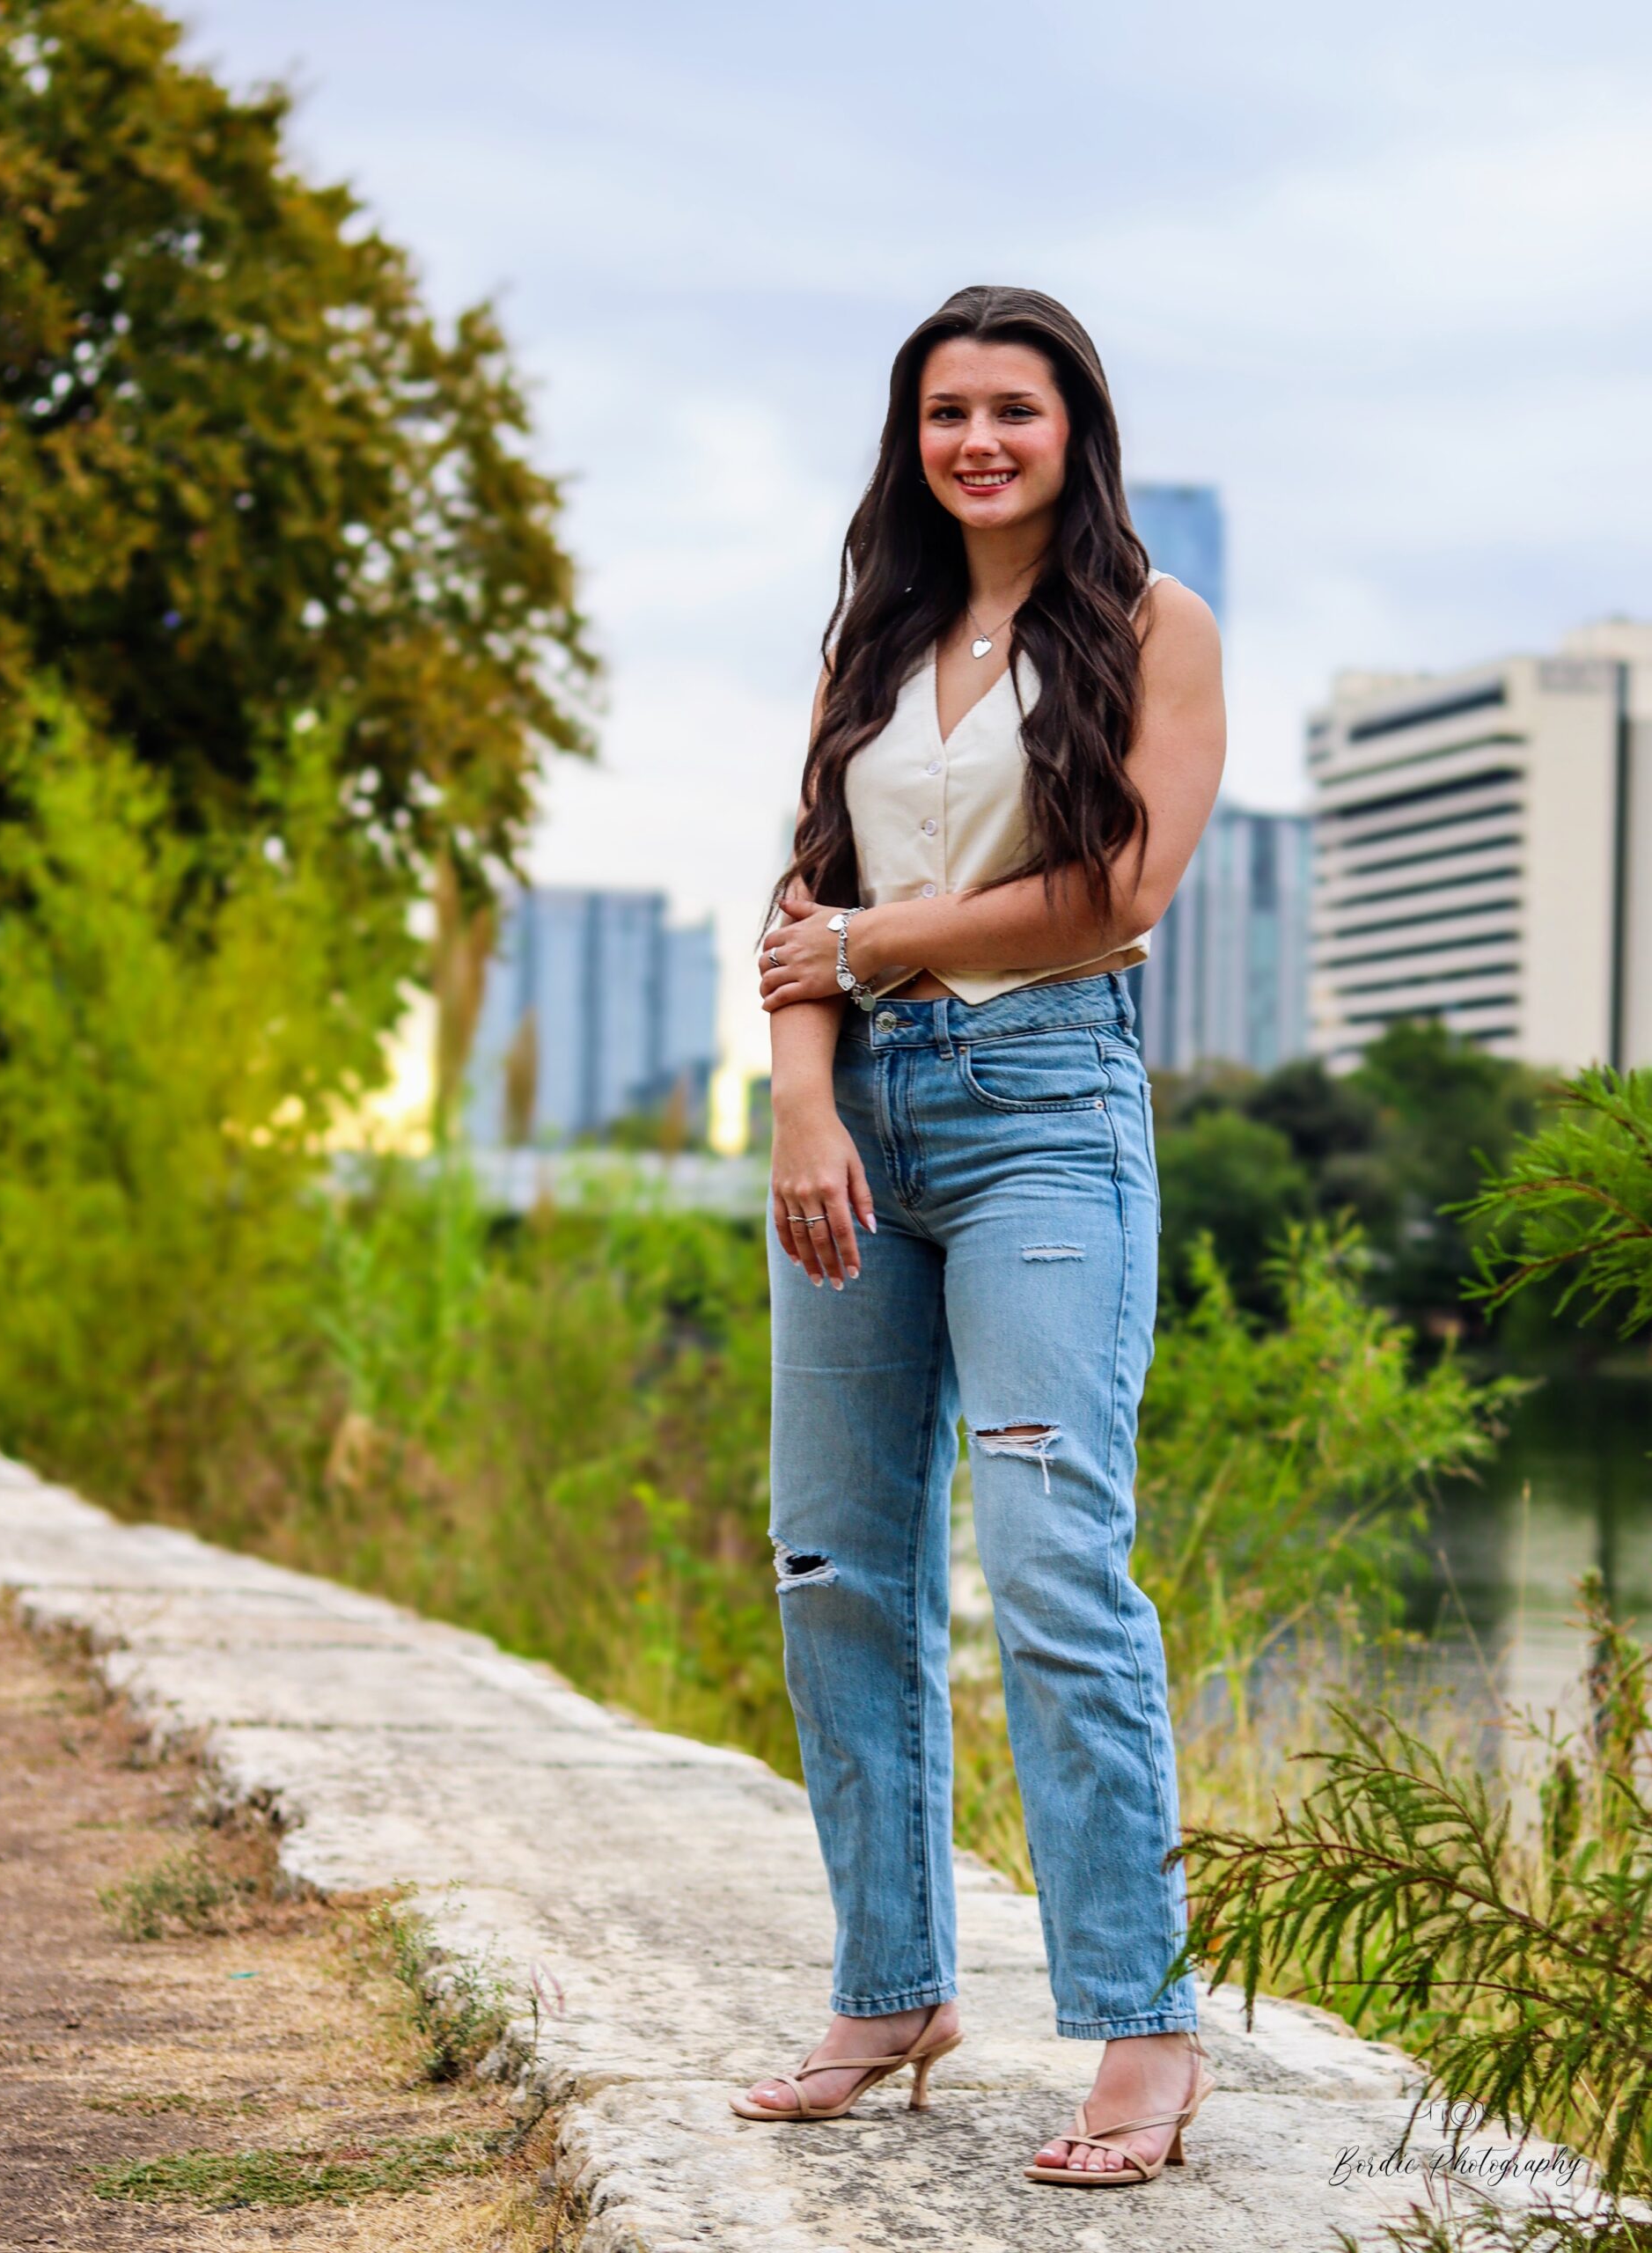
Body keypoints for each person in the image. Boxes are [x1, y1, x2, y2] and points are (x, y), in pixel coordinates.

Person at [730, 285, 1226, 2186]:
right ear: (912, 437)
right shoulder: (878, 630)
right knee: (833, 1562)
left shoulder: (1155, 625)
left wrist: (874, 943)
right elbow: (803, 897)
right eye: (947, 412)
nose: (978, 441)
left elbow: (1121, 884)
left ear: (1072, 428)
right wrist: (802, 1101)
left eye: (1013, 408)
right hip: (853, 1121)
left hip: (1044, 1114)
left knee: (1047, 1554)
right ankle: (891, 1989)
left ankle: (1142, 2024)